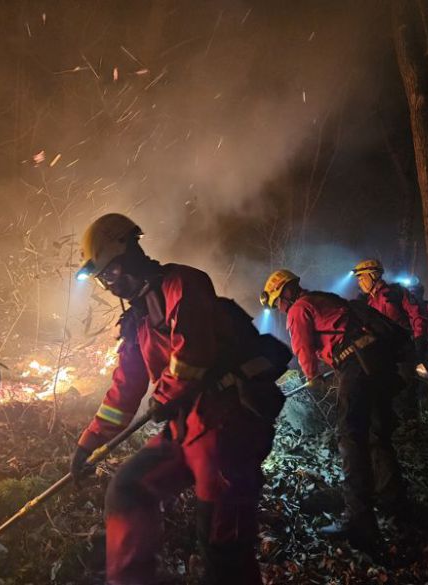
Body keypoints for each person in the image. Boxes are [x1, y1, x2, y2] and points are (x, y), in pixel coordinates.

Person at [70, 213, 288, 585]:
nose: (108, 285)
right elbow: (125, 388)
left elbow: (193, 351)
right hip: (184, 427)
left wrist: (167, 394)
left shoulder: (183, 283)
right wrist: (89, 442)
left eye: (108, 274)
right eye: (102, 279)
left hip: (226, 425)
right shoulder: (137, 320)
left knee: (223, 543)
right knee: (129, 487)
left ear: (127, 253)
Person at [261, 269, 408, 553]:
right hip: (376, 363)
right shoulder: (323, 299)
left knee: (351, 438)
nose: (279, 309)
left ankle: (360, 521)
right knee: (377, 435)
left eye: (278, 301)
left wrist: (311, 376)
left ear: (287, 292)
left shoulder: (299, 308)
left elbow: (302, 348)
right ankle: (395, 506)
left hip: (357, 367)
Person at [353, 260, 428, 416]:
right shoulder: (368, 303)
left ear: (373, 275)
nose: (359, 282)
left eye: (362, 277)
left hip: (407, 349)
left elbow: (417, 316)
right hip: (386, 354)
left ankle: (414, 424)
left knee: (409, 389)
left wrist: (419, 341)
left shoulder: (396, 293)